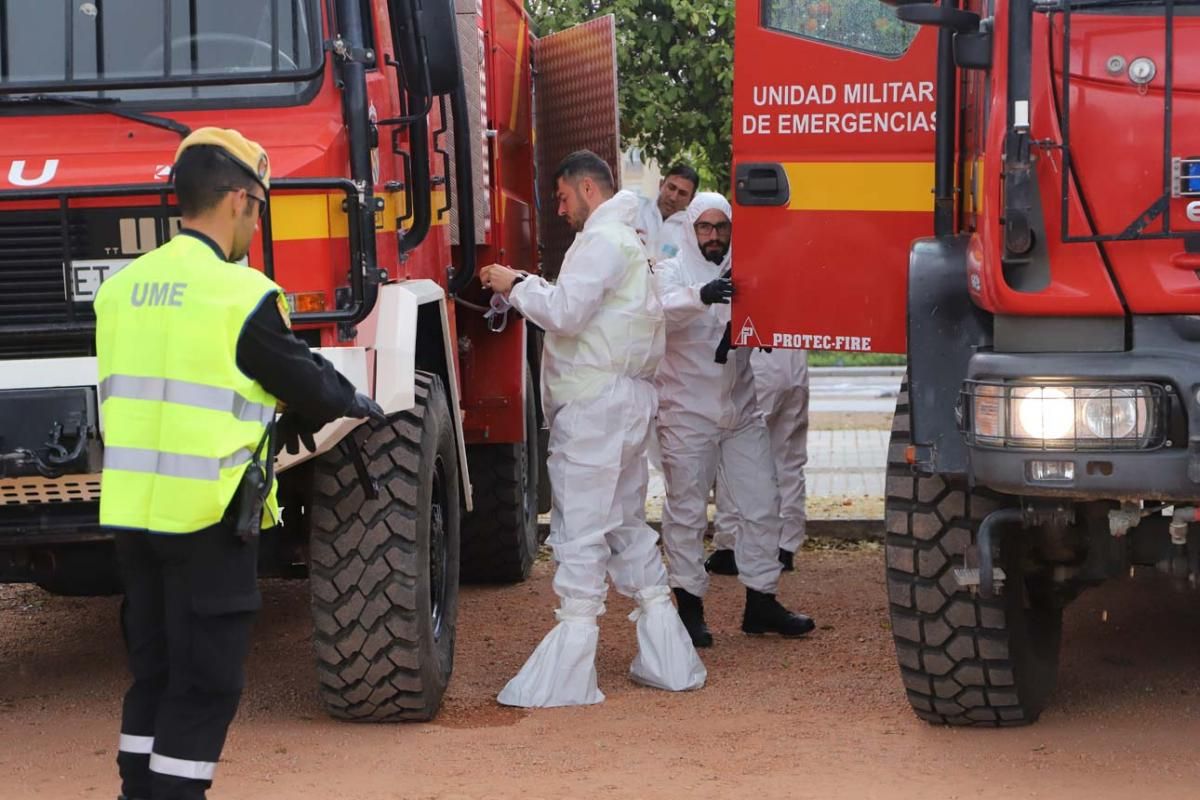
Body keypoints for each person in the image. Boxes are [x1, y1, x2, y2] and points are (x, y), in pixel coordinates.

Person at [96, 127, 383, 800]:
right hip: (206, 518)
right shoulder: (239, 294)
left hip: (133, 518)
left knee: (156, 676)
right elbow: (307, 383)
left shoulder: (121, 289)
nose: (257, 223)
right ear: (236, 200)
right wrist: (353, 400)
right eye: (259, 208)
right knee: (205, 687)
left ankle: (136, 793)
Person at [480, 150, 705, 707]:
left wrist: (513, 283)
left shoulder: (603, 241)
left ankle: (569, 674)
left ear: (586, 188)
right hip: (626, 403)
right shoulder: (633, 241)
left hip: (594, 407)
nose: (559, 210)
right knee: (626, 524)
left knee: (581, 529)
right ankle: (668, 659)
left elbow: (566, 313)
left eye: (560, 198)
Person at [654, 192, 815, 648]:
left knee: (763, 504)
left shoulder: (746, 268)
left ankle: (761, 600)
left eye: (721, 227)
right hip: (686, 413)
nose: (713, 236)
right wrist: (700, 298)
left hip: (742, 410)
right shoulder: (672, 271)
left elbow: (776, 307)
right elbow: (656, 314)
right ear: (691, 230)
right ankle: (689, 606)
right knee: (686, 513)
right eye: (704, 227)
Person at [708, 349, 810, 575]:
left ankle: (731, 545)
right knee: (788, 458)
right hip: (794, 363)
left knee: (737, 451)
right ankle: (785, 545)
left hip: (758, 362)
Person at [635, 163, 699, 264]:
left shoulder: (691, 232)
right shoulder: (636, 210)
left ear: (691, 199)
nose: (673, 197)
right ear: (661, 185)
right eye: (671, 187)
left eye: (682, 193)